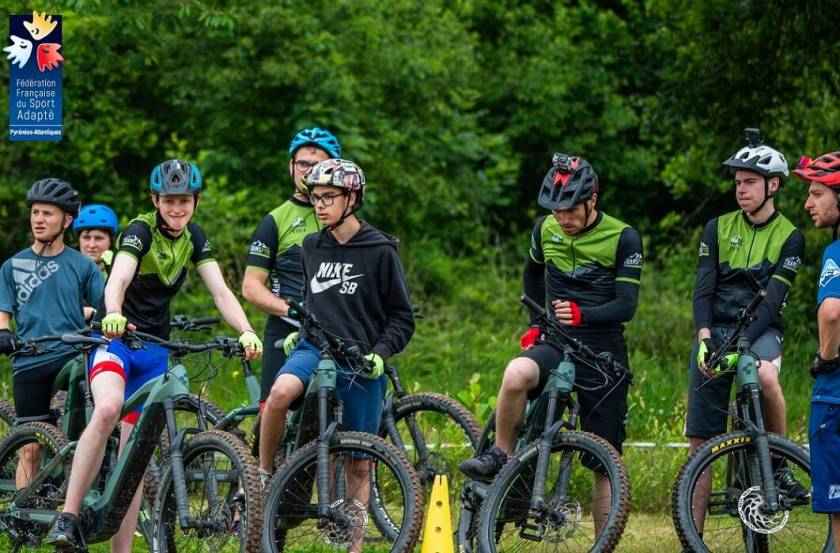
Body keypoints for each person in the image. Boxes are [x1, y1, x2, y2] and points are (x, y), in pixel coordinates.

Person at [47, 159, 263, 551]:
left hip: (155, 352)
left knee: (136, 458)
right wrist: (112, 312)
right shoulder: (138, 231)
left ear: (195, 201)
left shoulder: (195, 238)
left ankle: (123, 550)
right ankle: (68, 514)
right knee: (109, 409)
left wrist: (246, 330)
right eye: (169, 201)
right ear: (155, 199)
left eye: (184, 201)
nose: (177, 209)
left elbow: (220, 292)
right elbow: (120, 279)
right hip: (115, 343)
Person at [459, 153, 643, 534]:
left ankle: (602, 542)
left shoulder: (624, 237)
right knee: (515, 374)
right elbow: (531, 274)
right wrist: (536, 323)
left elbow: (626, 306)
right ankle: (502, 455)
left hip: (602, 349)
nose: (563, 218)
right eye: (556, 210)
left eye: (571, 210)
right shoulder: (545, 229)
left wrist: (583, 314)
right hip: (557, 342)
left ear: (593, 198)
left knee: (604, 460)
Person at [258, 158, 414, 551]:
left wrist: (381, 352)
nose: (320, 205)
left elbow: (402, 317)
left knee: (360, 459)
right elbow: (315, 302)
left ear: (353, 198)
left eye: (329, 197)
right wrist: (303, 332)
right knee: (278, 394)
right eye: (315, 198)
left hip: (360, 359)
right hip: (316, 348)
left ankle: (354, 546)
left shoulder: (380, 250)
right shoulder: (312, 245)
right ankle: (260, 477)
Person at [684, 130, 808, 536]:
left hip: (760, 331)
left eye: (750, 182)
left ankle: (779, 466)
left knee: (767, 376)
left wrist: (741, 347)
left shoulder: (791, 236)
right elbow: (703, 290)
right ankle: (692, 537)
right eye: (738, 182)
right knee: (700, 445)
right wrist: (704, 338)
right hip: (715, 331)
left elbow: (771, 302)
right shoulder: (716, 228)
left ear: (773, 185)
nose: (741, 190)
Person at [0, 178, 104, 490]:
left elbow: (107, 307)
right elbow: (2, 313)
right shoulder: (12, 265)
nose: (39, 220)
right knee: (30, 446)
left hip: (72, 358)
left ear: (67, 220)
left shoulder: (82, 266)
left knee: (86, 433)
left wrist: (108, 321)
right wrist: (3, 332)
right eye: (35, 212)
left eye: (47, 213)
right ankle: (24, 517)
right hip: (30, 360)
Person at [241, 127, 341, 410]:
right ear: (291, 166)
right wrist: (290, 310)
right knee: (273, 410)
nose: (308, 171)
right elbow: (251, 285)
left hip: (336, 328)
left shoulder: (342, 216)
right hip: (285, 329)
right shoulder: (275, 221)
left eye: (317, 164)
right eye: (302, 164)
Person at [797, 150, 840, 549]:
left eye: (817, 193)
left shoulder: (836, 253)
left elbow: (831, 311)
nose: (809, 203)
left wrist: (827, 358)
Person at [73, 203, 119, 278]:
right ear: (79, 240)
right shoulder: (65, 271)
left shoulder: (121, 274)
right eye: (86, 238)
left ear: (111, 240)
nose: (92, 245)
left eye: (98, 238)